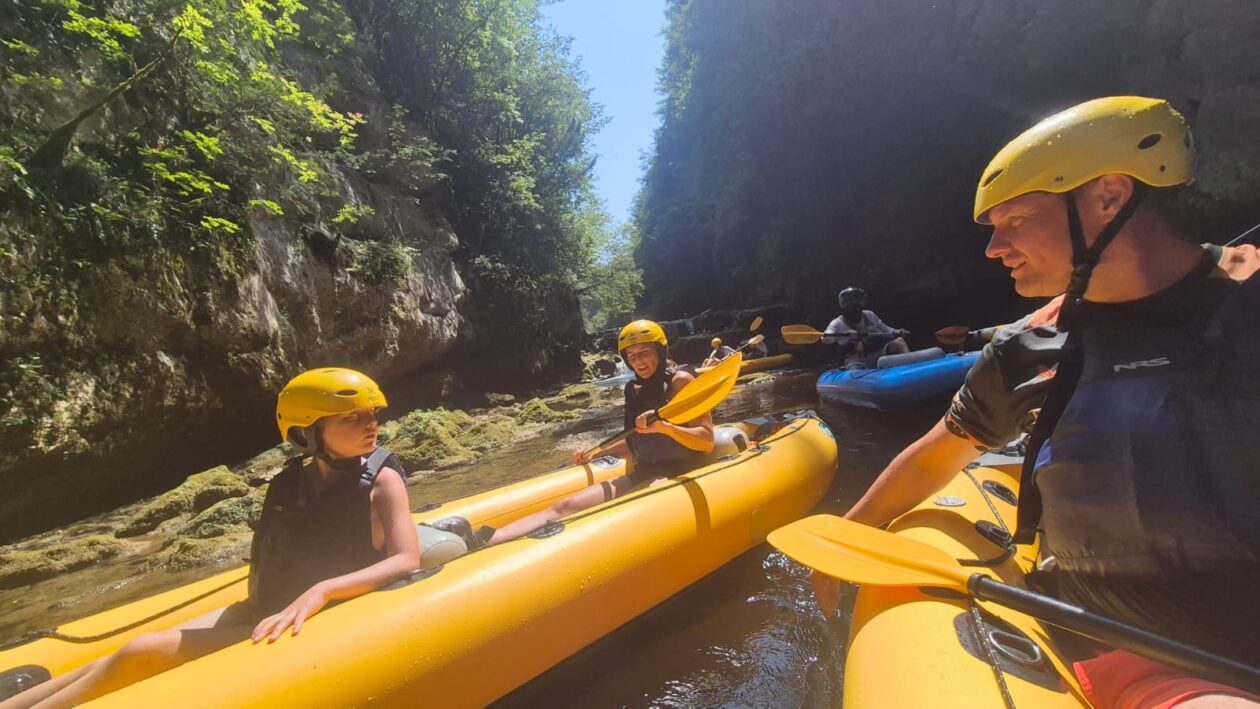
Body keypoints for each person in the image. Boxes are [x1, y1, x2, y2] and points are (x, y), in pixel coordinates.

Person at [813, 97, 1260, 708]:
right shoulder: (1031, 345)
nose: (994, 248)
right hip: (1141, 662)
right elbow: (937, 456)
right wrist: (843, 538)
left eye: (1015, 220)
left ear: (1109, 196)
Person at [3, 368, 421, 709]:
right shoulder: (288, 483)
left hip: (313, 620)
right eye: (352, 418)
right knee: (122, 652)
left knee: (139, 653)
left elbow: (406, 559)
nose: (371, 425)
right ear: (306, 432)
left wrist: (322, 591)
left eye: (371, 414)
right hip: (263, 610)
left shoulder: (383, 482)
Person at [489, 319, 715, 545]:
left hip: (683, 470)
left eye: (644, 352)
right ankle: (486, 540)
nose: (638, 361)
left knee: (624, 507)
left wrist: (666, 428)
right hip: (647, 470)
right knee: (565, 506)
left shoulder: (681, 381)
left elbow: (706, 441)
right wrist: (595, 453)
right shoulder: (633, 389)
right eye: (632, 355)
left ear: (660, 351)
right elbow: (636, 440)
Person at [822, 287, 909, 369]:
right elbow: (825, 338)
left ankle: (909, 368)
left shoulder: (869, 315)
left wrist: (896, 331)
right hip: (856, 360)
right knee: (854, 370)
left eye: (858, 301)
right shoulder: (837, 323)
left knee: (899, 342)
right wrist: (842, 335)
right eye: (851, 302)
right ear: (844, 304)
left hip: (878, 354)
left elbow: (885, 330)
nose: (855, 304)